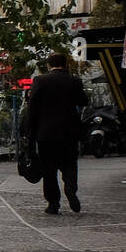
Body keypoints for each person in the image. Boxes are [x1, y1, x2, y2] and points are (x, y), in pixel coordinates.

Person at [24, 51, 87, 215]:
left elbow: (33, 109)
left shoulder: (40, 81)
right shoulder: (74, 81)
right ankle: (71, 187)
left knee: (49, 170)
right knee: (70, 164)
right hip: (69, 132)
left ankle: (53, 204)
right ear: (65, 64)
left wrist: (30, 134)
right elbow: (83, 101)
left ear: (48, 65)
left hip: (46, 133)